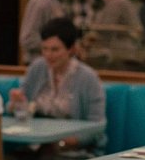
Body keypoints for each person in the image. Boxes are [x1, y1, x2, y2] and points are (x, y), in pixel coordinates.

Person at [10, 17, 105, 149]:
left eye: (55, 49)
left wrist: (61, 143)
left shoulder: (88, 78)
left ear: (71, 49)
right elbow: (18, 112)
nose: (48, 55)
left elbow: (97, 127)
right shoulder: (37, 68)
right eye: (45, 49)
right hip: (33, 147)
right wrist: (17, 103)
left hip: (72, 151)